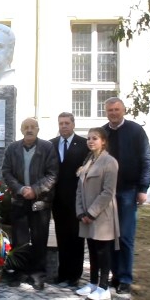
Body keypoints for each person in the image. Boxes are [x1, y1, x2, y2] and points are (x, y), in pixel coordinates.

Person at [102, 97, 150, 295]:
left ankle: (125, 278)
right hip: (107, 192)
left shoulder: (136, 131)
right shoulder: (102, 132)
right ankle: (114, 275)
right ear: (106, 112)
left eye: (116, 109)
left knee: (125, 236)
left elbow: (146, 160)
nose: (113, 113)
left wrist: (143, 188)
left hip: (128, 191)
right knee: (110, 236)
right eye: (110, 110)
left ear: (123, 110)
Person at [2, 117, 59, 290]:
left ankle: (38, 274)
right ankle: (19, 272)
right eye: (26, 127)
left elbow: (53, 174)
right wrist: (20, 189)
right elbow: (6, 171)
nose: (29, 129)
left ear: (38, 129)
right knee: (20, 239)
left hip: (40, 202)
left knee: (39, 238)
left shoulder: (47, 148)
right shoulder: (12, 148)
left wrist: (35, 189)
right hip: (19, 201)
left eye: (32, 127)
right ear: (21, 130)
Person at [74, 128, 120, 300]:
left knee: (103, 252)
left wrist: (91, 213)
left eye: (95, 138)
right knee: (92, 250)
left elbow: (108, 192)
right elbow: (79, 189)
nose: (90, 141)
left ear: (103, 141)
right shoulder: (88, 161)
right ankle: (93, 283)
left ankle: (104, 287)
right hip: (86, 216)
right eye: (88, 138)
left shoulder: (110, 162)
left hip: (102, 216)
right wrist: (80, 212)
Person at [50, 112, 89, 287]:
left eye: (67, 123)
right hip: (57, 199)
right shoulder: (51, 144)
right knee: (62, 235)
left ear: (73, 124)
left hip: (76, 198)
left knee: (76, 237)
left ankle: (74, 274)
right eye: (61, 123)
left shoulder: (83, 144)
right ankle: (62, 272)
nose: (64, 126)